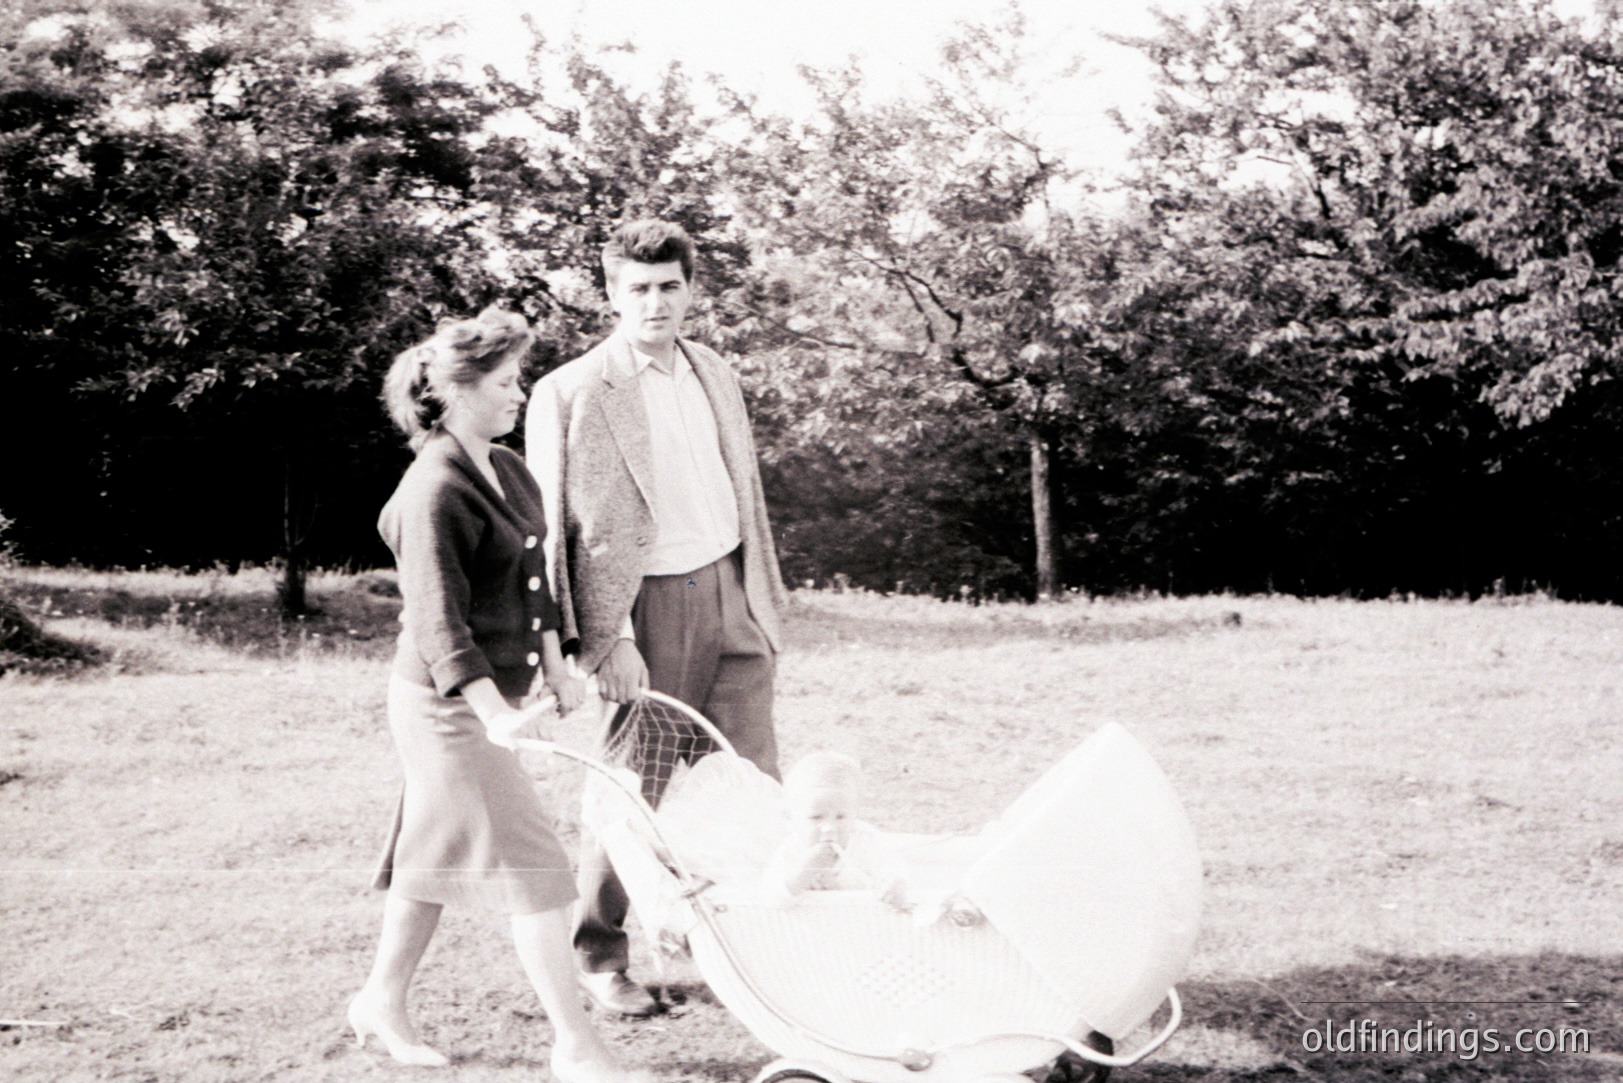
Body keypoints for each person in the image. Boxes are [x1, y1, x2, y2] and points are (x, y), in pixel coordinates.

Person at [350, 306, 645, 1082]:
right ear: (457, 391)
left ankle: (380, 999)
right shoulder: (432, 491)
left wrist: (551, 658)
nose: (520, 394)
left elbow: (537, 572)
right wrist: (496, 716)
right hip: (444, 709)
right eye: (508, 382)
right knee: (541, 872)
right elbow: (440, 626)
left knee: (432, 857)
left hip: (497, 698)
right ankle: (576, 1046)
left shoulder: (506, 467)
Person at [527, 219, 787, 1017]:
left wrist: (756, 597)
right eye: (637, 288)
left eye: (669, 285)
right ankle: (600, 955)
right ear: (610, 294)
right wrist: (610, 639)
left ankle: (755, 948)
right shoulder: (569, 390)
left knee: (751, 788)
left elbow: (741, 489)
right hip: (645, 610)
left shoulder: (713, 370)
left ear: (691, 289)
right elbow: (555, 532)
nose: (655, 302)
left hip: (732, 592)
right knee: (630, 792)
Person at [760, 752, 887, 902]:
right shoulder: (792, 848)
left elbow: (891, 873)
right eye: (816, 817)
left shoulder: (865, 840)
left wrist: (893, 886)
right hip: (808, 923)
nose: (829, 827)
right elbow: (768, 898)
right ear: (791, 819)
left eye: (841, 817)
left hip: (861, 919)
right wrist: (802, 872)